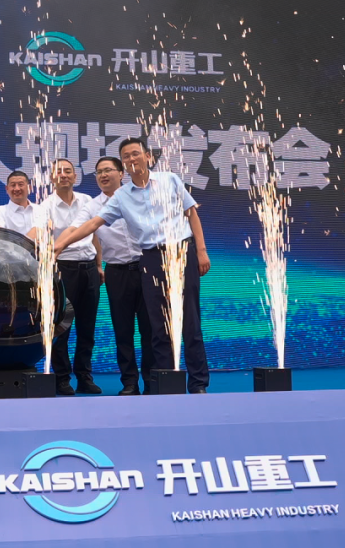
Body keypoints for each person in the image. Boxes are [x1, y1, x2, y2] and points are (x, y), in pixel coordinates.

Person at [54, 138, 211, 394]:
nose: (131, 159)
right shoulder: (121, 197)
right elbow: (92, 224)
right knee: (158, 327)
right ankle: (165, 382)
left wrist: (201, 252)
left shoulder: (170, 180)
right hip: (150, 259)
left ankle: (198, 383)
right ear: (124, 164)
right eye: (126, 156)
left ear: (148, 157)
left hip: (182, 252)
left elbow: (191, 213)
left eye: (135, 153)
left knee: (190, 322)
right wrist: (61, 245)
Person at [60, 157, 151, 395]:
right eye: (99, 172)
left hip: (146, 268)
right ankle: (129, 383)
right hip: (117, 272)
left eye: (108, 170)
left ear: (121, 173)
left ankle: (153, 381)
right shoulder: (93, 206)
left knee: (150, 329)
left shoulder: (139, 196)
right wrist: (57, 246)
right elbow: (76, 228)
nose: (103, 175)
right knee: (123, 331)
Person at [29, 159, 101, 396]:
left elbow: (94, 234)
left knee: (87, 327)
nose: (64, 175)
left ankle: (84, 376)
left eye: (68, 171)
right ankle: (61, 378)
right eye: (58, 172)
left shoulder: (87, 201)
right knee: (61, 327)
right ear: (51, 178)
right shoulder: (45, 206)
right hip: (62, 269)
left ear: (75, 176)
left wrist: (99, 265)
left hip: (89, 268)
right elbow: (39, 234)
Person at [0, 170, 35, 234]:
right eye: (13, 185)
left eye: (20, 185)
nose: (17, 189)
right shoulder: (0, 211)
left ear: (29, 187)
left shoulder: (40, 210)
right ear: (7, 189)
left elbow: (39, 232)